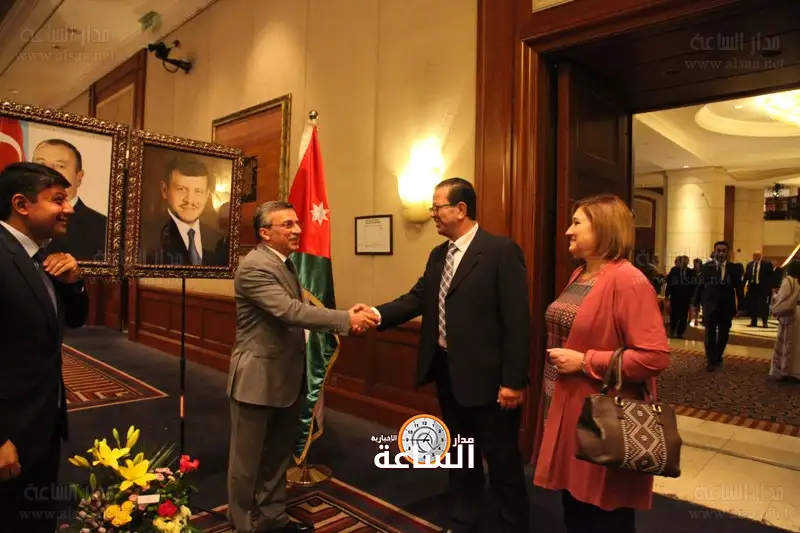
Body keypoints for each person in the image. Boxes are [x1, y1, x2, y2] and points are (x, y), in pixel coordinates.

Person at [362, 177, 531, 533]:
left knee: (502, 458)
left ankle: (513, 523)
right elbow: (417, 298)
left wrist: (513, 382)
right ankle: (465, 513)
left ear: (460, 209)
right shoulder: (439, 254)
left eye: (437, 207)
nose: (432, 214)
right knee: (461, 451)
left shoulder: (500, 252)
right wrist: (375, 314)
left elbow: (517, 322)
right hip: (448, 373)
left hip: (491, 381)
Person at [226, 200, 377, 533]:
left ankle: (272, 518)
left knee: (278, 456)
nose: (297, 230)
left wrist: (348, 315)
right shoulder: (254, 266)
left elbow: (300, 307)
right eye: (287, 225)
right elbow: (290, 311)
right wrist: (345, 319)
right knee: (247, 462)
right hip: (257, 379)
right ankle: (241, 524)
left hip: (285, 376)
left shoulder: (285, 263)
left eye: (297, 223)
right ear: (264, 233)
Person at [534, 194, 670, 533]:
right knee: (575, 506)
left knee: (601, 514)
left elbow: (655, 357)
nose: (568, 231)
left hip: (602, 416)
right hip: (566, 406)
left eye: (577, 223)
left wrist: (586, 361)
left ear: (604, 229)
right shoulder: (580, 274)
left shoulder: (628, 280)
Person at [0, 162, 88, 532]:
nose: (69, 208)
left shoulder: (41, 257)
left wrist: (73, 282)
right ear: (21, 204)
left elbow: (74, 321)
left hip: (43, 422)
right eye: (58, 200)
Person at [144, 155, 227, 266]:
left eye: (198, 191)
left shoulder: (218, 240)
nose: (190, 200)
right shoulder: (146, 237)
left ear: (207, 195)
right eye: (181, 189)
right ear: (165, 190)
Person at [32, 139, 107, 261]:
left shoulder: (104, 229)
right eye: (41, 164)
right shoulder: (14, 220)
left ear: (79, 177)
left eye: (60, 166)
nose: (48, 172)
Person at [692, 241, 744, 372]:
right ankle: (711, 360)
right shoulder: (706, 267)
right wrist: (695, 304)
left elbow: (739, 288)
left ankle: (718, 355)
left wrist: (741, 306)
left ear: (728, 252)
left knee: (723, 334)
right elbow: (700, 286)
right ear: (714, 252)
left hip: (727, 305)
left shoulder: (735, 268)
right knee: (709, 333)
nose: (721, 253)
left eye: (723, 251)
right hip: (710, 305)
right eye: (718, 250)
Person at [769, 260, 800, 381]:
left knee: (787, 341)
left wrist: (774, 296)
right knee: (797, 343)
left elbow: (782, 297)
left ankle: (785, 370)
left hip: (790, 313)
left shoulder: (789, 280)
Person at [665, 255, 695, 338]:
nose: (683, 264)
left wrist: (692, 296)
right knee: (673, 314)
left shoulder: (691, 272)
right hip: (675, 296)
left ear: (687, 263)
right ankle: (672, 330)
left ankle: (680, 332)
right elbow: (669, 282)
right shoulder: (674, 270)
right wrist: (667, 295)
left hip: (686, 297)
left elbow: (694, 285)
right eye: (682, 262)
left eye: (685, 262)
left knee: (683, 315)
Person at [745, 251, 775, 328]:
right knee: (752, 305)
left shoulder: (767, 265)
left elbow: (771, 277)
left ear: (761, 256)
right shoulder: (749, 265)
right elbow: (746, 276)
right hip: (752, 287)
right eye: (754, 255)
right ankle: (753, 321)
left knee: (763, 305)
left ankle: (764, 322)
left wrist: (770, 288)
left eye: (757, 255)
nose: (755, 257)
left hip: (762, 287)